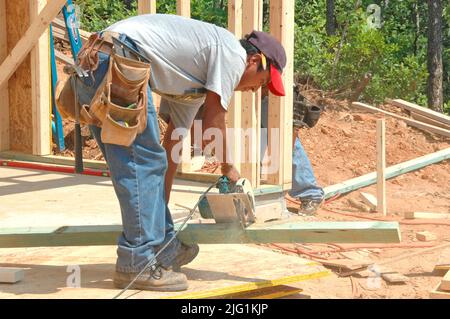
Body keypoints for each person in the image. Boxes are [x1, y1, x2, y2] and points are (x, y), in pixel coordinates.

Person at [73, 14, 287, 292]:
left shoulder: (193, 85)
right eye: (260, 83)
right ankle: (137, 262)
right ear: (255, 61)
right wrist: (228, 168)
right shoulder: (231, 53)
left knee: (147, 164)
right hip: (116, 62)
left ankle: (163, 247)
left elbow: (170, 152)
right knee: (143, 164)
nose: (253, 91)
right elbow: (213, 121)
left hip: (100, 64)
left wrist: (162, 216)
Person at [260, 86, 324, 216]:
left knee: (286, 143)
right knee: (260, 138)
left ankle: (310, 194)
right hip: (255, 93)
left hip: (273, 93)